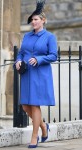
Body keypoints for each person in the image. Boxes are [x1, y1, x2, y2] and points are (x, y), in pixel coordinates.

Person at [15, 0, 57, 148]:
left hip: (40, 74)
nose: (33, 22)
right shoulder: (27, 36)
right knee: (25, 106)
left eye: (36, 19)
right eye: (32, 20)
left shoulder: (49, 37)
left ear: (43, 21)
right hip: (26, 74)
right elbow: (20, 53)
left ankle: (35, 136)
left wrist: (39, 59)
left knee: (34, 104)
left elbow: (53, 55)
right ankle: (44, 126)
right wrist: (18, 61)